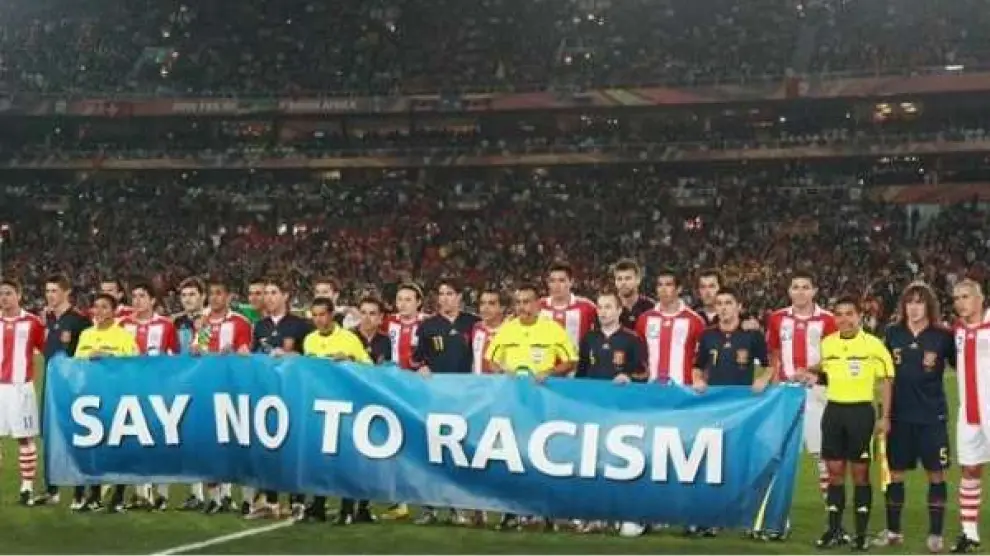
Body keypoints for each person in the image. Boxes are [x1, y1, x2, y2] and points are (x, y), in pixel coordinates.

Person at [800, 297, 894, 551]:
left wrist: (885, 416)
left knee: (860, 474)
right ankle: (834, 529)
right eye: (839, 314)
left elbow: (887, 381)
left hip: (860, 413)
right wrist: (809, 371)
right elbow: (827, 369)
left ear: (859, 316)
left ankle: (861, 534)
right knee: (834, 472)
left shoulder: (873, 345)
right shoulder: (828, 343)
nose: (844, 319)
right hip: (833, 412)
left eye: (849, 314)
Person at [486, 283, 577, 532]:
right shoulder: (507, 329)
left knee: (545, 456)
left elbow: (571, 360)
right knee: (514, 456)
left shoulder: (552, 329)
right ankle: (515, 512)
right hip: (514, 403)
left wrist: (549, 372)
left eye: (527, 302)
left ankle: (549, 511)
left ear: (538, 304)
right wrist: (502, 372)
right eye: (518, 302)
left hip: (543, 405)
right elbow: (490, 359)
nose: (522, 307)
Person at [873, 282, 954, 553]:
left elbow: (964, 365)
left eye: (920, 302)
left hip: (932, 417)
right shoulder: (892, 333)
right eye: (910, 302)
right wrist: (884, 415)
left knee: (936, 474)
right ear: (904, 305)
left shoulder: (943, 335)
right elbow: (885, 376)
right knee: (895, 474)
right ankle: (893, 532)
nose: (914, 307)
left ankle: (935, 535)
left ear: (929, 306)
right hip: (899, 417)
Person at [688, 287, 768, 539]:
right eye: (719, 303)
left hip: (744, 409)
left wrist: (763, 379)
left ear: (738, 306)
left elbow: (769, 365)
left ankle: (748, 517)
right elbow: (697, 366)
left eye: (728, 303)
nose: (723, 308)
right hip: (715, 408)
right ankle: (712, 518)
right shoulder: (708, 335)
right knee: (714, 462)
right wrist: (698, 379)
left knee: (742, 462)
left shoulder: (752, 336)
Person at [765, 271, 837, 512]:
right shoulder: (777, 318)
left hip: (816, 393)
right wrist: (775, 383)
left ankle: (831, 512)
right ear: (789, 291)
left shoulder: (827, 320)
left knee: (822, 454)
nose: (800, 291)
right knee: (780, 454)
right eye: (795, 287)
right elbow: (774, 353)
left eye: (805, 287)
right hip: (786, 393)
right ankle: (774, 513)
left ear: (814, 291)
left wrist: (813, 372)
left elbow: (833, 357)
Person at [410, 279, 480, 526]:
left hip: (466, 398)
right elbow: (415, 359)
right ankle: (429, 508)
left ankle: (461, 508)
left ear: (459, 296)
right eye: (441, 293)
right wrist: (421, 367)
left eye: (450, 293)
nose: (445, 298)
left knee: (461, 452)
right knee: (432, 450)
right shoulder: (427, 326)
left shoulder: (473, 323)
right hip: (435, 397)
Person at [249, 277, 314, 521]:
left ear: (285, 296)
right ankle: (271, 501)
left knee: (294, 446)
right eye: (266, 293)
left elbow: (311, 357)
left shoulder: (300, 325)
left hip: (293, 392)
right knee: (268, 444)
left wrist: (292, 355)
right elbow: (255, 354)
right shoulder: (260, 326)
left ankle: (297, 501)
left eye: (274, 292)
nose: (268, 297)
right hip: (267, 392)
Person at [301, 297, 371, 524]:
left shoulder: (349, 339)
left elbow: (369, 368)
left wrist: (350, 360)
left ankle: (347, 508)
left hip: (344, 405)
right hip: (319, 404)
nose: (318, 320)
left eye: (322, 314)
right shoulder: (310, 340)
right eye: (315, 315)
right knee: (320, 457)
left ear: (332, 315)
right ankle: (318, 506)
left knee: (345, 458)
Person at [192, 277, 255, 515]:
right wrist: (196, 349)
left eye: (219, 293)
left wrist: (236, 353)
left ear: (229, 297)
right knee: (210, 444)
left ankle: (247, 499)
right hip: (208, 390)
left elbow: (246, 353)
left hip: (234, 390)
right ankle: (216, 499)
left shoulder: (240, 322)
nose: (215, 298)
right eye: (212, 293)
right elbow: (199, 349)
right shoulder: (205, 323)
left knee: (239, 443)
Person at [117, 281, 180, 511]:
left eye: (142, 296)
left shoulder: (166, 326)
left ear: (153, 300)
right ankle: (141, 493)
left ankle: (161, 494)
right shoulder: (122, 325)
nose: (137, 300)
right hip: (129, 390)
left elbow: (174, 358)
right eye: (134, 296)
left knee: (159, 440)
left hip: (158, 391)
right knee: (134, 440)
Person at [74, 293, 139, 512]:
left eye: (104, 307)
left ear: (113, 311)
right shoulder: (86, 334)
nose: (99, 311)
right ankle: (94, 495)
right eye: (96, 307)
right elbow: (76, 364)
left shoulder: (123, 336)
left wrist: (109, 358)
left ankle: (118, 496)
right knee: (94, 446)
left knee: (118, 445)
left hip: (117, 396)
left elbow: (134, 363)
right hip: (91, 397)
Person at [32, 273, 91, 507]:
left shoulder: (79, 320)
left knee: (75, 436)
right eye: (47, 291)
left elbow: (86, 352)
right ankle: (51, 491)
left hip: (72, 387)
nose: (50, 295)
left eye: (54, 291)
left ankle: (79, 492)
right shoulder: (47, 319)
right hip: (50, 386)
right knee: (49, 436)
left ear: (67, 292)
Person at [378, 282, 425, 522]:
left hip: (419, 392)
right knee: (395, 443)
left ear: (418, 302)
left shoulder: (427, 325)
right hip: (394, 390)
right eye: (400, 299)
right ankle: (400, 503)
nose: (403, 304)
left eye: (408, 299)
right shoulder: (388, 323)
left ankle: (430, 503)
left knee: (422, 445)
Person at [950, 279, 990, 553]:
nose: (960, 302)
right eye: (956, 298)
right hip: (968, 414)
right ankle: (969, 533)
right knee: (970, 469)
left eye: (965, 296)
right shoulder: (958, 330)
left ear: (980, 298)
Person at [0, 279, 46, 506]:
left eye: (8, 293)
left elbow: (45, 349)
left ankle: (26, 487)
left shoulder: (33, 322)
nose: (4, 298)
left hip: (21, 388)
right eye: (1, 294)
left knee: (24, 437)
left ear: (19, 295)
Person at [635, 268, 706, 385]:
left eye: (668, 285)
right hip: (652, 389)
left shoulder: (695, 321)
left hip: (684, 389)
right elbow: (639, 354)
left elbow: (703, 358)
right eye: (660, 285)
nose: (663, 289)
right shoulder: (644, 319)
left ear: (679, 289)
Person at [577, 290, 645, 383]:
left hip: (619, 391)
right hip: (593, 391)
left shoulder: (632, 339)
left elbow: (643, 373)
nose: (602, 312)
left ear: (619, 310)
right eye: (599, 307)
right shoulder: (589, 338)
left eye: (608, 307)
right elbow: (581, 372)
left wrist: (628, 377)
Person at [539, 261, 598, 352]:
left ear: (571, 282)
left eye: (561, 280)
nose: (557, 286)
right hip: (545, 360)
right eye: (552, 281)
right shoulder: (538, 306)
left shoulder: (587, 307)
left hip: (577, 360)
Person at [470, 289, 506, 375]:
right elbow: (475, 360)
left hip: (502, 382)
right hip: (478, 382)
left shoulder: (510, 331)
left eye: (491, 303)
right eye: (482, 303)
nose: (485, 308)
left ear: (502, 308)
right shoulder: (476, 328)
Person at [612, 259, 654, 329]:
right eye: (619, 279)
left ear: (638, 280)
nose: (623, 283)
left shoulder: (650, 307)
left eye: (628, 278)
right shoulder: (607, 308)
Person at [353, 297, 391, 365]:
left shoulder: (386, 340)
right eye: (363, 313)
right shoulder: (348, 336)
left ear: (381, 316)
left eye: (372, 314)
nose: (366, 318)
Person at [173, 277, 206, 355]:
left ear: (203, 296)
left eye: (192, 294)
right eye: (183, 295)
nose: (187, 299)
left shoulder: (212, 320)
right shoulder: (175, 322)